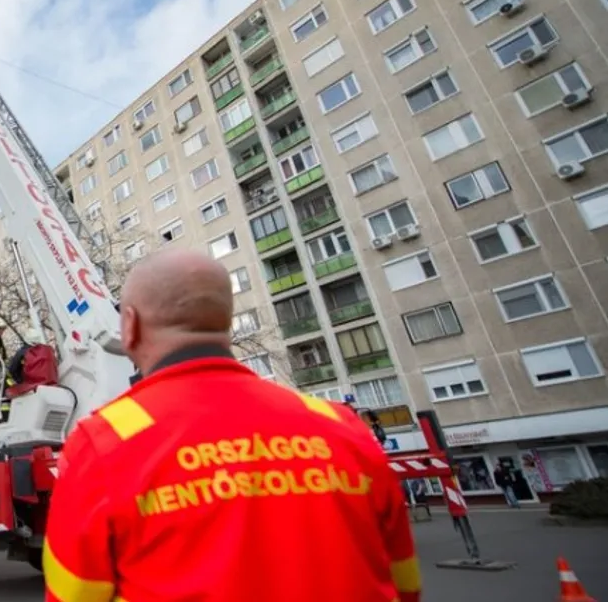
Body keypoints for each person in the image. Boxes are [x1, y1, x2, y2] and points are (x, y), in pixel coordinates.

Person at [43, 249, 420, 602]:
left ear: (129, 325)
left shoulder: (104, 444)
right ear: (223, 318)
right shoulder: (340, 427)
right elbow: (404, 583)